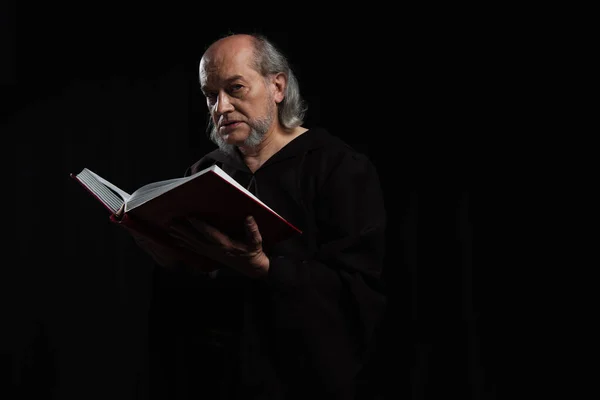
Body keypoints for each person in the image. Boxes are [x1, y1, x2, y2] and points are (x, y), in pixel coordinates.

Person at [133, 32, 388, 400]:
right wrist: (173, 258)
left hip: (302, 381)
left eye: (235, 88)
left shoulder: (339, 168)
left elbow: (358, 292)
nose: (220, 107)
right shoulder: (204, 173)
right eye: (210, 95)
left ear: (277, 86)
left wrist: (267, 269)